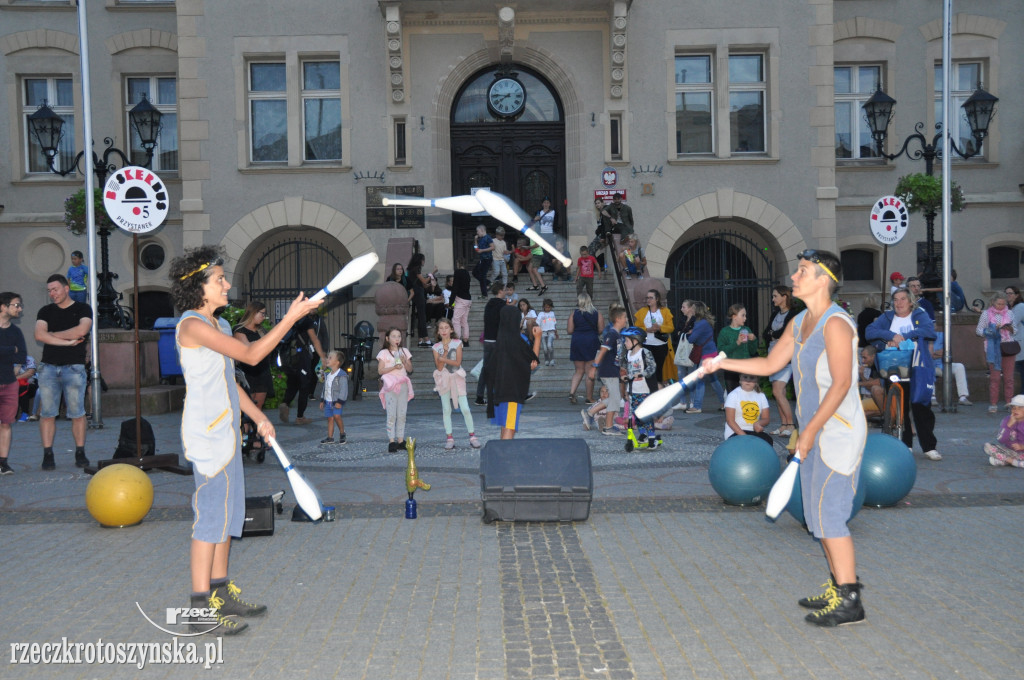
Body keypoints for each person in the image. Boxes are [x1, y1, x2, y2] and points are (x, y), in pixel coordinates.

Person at [703, 249, 866, 627]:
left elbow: (842, 383)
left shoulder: (836, 323)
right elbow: (769, 365)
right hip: (812, 430)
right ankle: (839, 584)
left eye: (803, 271)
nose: (794, 277)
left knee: (829, 514)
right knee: (815, 512)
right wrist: (721, 361)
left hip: (837, 432)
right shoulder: (800, 322)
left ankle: (851, 600)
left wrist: (806, 431)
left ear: (824, 279)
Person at [170, 245, 321, 635]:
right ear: (198, 286)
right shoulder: (192, 325)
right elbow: (253, 355)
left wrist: (257, 416)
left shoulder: (217, 326)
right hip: (206, 436)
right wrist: (290, 317)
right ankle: (198, 611)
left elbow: (229, 380)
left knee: (228, 517)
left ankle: (220, 593)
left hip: (227, 432)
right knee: (210, 521)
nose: (227, 283)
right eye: (219, 278)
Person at [866, 288, 940, 460]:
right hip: (894, 366)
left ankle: (929, 446)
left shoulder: (919, 315)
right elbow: (870, 331)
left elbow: (929, 331)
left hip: (917, 366)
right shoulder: (887, 317)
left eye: (903, 299)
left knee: (921, 406)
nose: (899, 303)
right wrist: (891, 335)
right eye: (896, 299)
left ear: (910, 301)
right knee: (899, 406)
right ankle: (905, 444)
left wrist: (904, 337)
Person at [35, 274, 93, 470]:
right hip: (48, 367)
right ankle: (48, 454)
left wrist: (51, 335)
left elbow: (81, 331)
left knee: (77, 413)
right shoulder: (45, 311)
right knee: (47, 413)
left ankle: (80, 452)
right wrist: (67, 341)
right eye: (49, 290)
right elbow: (38, 334)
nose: (52, 294)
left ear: (66, 288)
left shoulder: (83, 308)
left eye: (55, 289)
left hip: (74, 368)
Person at [486, 306, 538, 440]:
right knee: (510, 427)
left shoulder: (499, 342)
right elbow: (533, 362)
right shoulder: (519, 341)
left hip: (498, 392)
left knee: (505, 426)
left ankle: (499, 456)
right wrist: (537, 338)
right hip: (512, 393)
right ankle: (503, 458)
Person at [432, 318, 480, 450]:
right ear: (438, 331)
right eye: (441, 328)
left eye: (446, 328)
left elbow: (457, 363)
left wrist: (442, 358)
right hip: (443, 379)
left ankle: (472, 436)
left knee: (465, 408)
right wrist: (445, 353)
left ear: (451, 329)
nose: (444, 331)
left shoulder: (458, 343)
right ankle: (449, 437)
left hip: (457, 377)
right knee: (446, 409)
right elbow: (440, 367)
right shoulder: (436, 347)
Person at [278, 306, 327, 425]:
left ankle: (285, 403)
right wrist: (322, 356)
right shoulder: (306, 321)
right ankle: (300, 417)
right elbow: (314, 339)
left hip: (289, 356)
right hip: (301, 356)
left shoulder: (291, 318)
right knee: (305, 385)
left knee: (293, 382)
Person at [583, 307, 627, 435]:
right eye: (624, 317)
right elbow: (603, 350)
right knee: (614, 398)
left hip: (613, 370)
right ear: (618, 319)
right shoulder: (612, 334)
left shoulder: (617, 334)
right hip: (608, 371)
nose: (626, 320)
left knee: (615, 397)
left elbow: (613, 355)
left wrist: (620, 368)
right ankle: (608, 427)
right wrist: (594, 367)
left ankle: (591, 413)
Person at [974, 292, 1019, 414]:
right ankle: (993, 403)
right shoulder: (986, 314)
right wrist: (991, 330)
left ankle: (1009, 402)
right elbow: (978, 330)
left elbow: (1015, 329)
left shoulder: (1009, 313)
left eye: (1004, 304)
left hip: (1008, 346)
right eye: (999, 304)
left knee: (1009, 378)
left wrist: (1008, 328)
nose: (1001, 306)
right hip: (993, 347)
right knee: (995, 378)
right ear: (993, 302)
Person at [678, 299, 726, 413]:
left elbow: (692, 339)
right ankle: (724, 402)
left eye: (693, 308)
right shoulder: (706, 322)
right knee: (714, 380)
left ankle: (697, 406)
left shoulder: (699, 323)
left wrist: (689, 334)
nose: (692, 310)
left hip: (706, 356)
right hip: (712, 353)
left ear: (697, 310)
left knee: (700, 380)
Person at [0, 292, 28, 475]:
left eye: (20, 305)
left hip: (9, 383)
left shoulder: (16, 331)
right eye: (16, 305)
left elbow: (22, 356)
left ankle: (3, 463)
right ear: (3, 306)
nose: (20, 309)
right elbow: (14, 353)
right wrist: (10, 350)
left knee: (6, 424)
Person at [764, 285, 797, 436]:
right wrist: (772, 334)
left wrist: (774, 334)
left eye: (775, 296)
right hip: (773, 356)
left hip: (785, 358)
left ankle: (790, 425)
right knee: (779, 392)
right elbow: (766, 332)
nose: (773, 299)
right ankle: (784, 425)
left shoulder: (793, 313)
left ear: (784, 297)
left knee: (778, 391)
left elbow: (785, 332)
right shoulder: (775, 313)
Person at [377, 327, 414, 452]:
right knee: (391, 414)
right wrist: (393, 367)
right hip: (390, 385)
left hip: (403, 384)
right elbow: (380, 370)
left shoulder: (404, 351)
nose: (397, 338)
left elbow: (410, 370)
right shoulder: (384, 353)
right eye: (393, 336)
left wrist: (405, 362)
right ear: (387, 338)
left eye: (399, 336)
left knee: (402, 414)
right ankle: (391, 440)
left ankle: (400, 439)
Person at [232, 302, 273, 412]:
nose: (263, 317)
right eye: (262, 314)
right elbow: (247, 349)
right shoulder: (239, 329)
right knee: (247, 407)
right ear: (253, 312)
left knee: (259, 405)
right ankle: (247, 428)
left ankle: (256, 428)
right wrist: (263, 342)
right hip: (247, 371)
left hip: (262, 370)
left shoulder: (261, 330)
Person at [567, 293, 603, 405]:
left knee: (578, 371)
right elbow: (601, 329)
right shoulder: (597, 313)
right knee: (589, 371)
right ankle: (589, 398)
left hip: (577, 341)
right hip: (591, 341)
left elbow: (569, 330)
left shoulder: (574, 314)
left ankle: (572, 393)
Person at [475, 281, 507, 406]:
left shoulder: (489, 304)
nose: (505, 292)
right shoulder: (503, 305)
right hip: (497, 340)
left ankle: (480, 396)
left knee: (486, 369)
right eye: (504, 290)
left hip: (488, 339)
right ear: (500, 291)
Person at [634, 289, 674, 388]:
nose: (648, 300)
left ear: (657, 299)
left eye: (651, 297)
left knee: (659, 368)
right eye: (647, 297)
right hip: (646, 345)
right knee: (647, 368)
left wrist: (660, 328)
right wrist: (647, 329)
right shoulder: (642, 312)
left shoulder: (665, 311)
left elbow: (671, 328)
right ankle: (649, 387)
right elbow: (636, 328)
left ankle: (658, 388)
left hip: (661, 345)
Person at [723, 374, 773, 446]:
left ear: (756, 380)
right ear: (740, 379)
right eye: (745, 377)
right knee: (746, 445)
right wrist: (745, 437)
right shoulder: (733, 395)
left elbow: (766, 419)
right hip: (735, 432)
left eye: (752, 378)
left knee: (768, 441)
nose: (748, 380)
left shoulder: (761, 396)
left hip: (754, 432)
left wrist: (758, 423)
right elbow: (730, 421)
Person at [717, 303, 757, 394]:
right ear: (734, 316)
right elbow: (721, 352)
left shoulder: (747, 329)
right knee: (733, 395)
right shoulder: (725, 332)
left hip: (745, 368)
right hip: (730, 368)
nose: (745, 318)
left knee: (746, 395)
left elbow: (753, 351)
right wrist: (737, 343)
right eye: (743, 315)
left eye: (745, 315)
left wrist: (753, 340)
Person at [931, 332, 972, 406]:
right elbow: (928, 354)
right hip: (931, 366)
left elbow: (946, 351)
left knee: (959, 366)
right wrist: (935, 354)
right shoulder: (923, 336)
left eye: (934, 324)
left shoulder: (941, 335)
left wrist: (934, 353)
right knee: (927, 369)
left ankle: (963, 397)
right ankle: (932, 397)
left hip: (944, 364)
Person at [985, 394, 1024, 468]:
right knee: (987, 447)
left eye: (1019, 408)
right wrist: (1008, 426)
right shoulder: (1007, 420)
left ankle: (1005, 461)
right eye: (1013, 408)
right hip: (1010, 452)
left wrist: (1022, 447)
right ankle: (1014, 462)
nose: (1015, 410)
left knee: (993, 460)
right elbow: (1001, 440)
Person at [318, 350, 348, 445]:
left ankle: (342, 433)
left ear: (337, 362)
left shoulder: (341, 375)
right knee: (330, 419)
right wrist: (322, 400)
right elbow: (325, 388)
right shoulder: (327, 375)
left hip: (336, 401)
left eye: (330, 358)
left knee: (336, 416)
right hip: (328, 401)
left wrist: (340, 401)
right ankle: (330, 437)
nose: (327, 359)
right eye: (328, 357)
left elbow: (344, 390)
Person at [406, 253, 434, 347]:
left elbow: (422, 283)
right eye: (423, 259)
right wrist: (432, 273)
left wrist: (426, 285)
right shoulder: (416, 269)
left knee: (421, 315)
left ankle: (420, 340)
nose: (424, 262)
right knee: (422, 316)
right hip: (418, 293)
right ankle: (426, 338)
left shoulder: (411, 269)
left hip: (416, 292)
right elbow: (425, 281)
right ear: (420, 260)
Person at [1007, 285, 1024, 397]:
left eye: (1010, 293)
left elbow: (1012, 323)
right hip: (1015, 344)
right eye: (1006, 293)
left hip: (1021, 343)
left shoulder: (1020, 306)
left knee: (1022, 370)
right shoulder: (1010, 308)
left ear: (1017, 295)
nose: (1008, 295)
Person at [858, 345, 884, 414]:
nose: (863, 361)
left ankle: (886, 415)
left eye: (865, 358)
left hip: (891, 397)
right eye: (862, 358)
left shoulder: (881, 363)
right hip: (881, 397)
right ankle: (883, 413)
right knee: (860, 411)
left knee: (876, 389)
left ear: (873, 356)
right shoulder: (872, 366)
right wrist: (862, 376)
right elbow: (869, 387)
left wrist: (858, 384)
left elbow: (879, 382)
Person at [451, 265, 472, 347]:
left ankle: (457, 340)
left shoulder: (458, 272)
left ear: (458, 264)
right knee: (464, 320)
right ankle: (465, 340)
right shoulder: (467, 273)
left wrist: (451, 302)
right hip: (468, 299)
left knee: (456, 320)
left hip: (461, 299)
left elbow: (455, 287)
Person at [472, 224, 494, 298]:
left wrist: (483, 250)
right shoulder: (480, 239)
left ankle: (484, 294)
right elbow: (476, 249)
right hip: (482, 259)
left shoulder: (488, 238)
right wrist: (475, 240)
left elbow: (493, 247)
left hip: (487, 259)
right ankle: (488, 283)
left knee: (482, 276)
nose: (477, 233)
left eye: (477, 231)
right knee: (474, 272)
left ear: (482, 230)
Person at [537, 298, 558, 367]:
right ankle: (546, 359)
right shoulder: (541, 314)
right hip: (543, 332)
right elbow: (537, 322)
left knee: (549, 345)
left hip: (551, 332)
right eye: (546, 307)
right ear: (543, 307)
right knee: (545, 348)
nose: (547, 308)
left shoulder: (552, 313)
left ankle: (552, 359)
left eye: (549, 307)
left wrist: (556, 332)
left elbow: (554, 323)